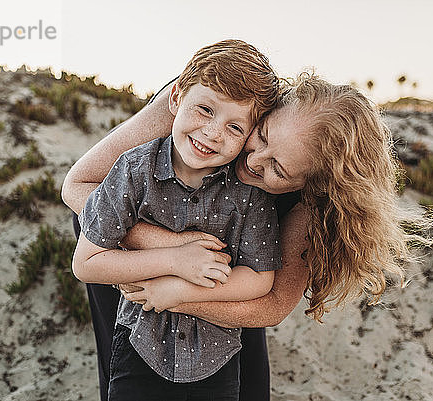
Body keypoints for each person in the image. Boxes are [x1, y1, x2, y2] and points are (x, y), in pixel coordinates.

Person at [63, 71, 412, 401]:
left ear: (313, 187)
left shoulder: (318, 203)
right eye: (260, 136)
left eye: (278, 168)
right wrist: (173, 250)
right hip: (118, 245)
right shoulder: (210, 100)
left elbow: (271, 303)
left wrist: (177, 294)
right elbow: (79, 185)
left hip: (235, 271)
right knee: (133, 368)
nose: (254, 161)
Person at [71, 39, 282, 401]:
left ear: (250, 137)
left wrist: (183, 289)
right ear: (176, 99)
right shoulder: (133, 170)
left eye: (235, 128)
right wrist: (175, 259)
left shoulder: (250, 194)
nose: (213, 133)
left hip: (218, 359)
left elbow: (261, 280)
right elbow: (86, 264)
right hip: (139, 348)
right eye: (204, 109)